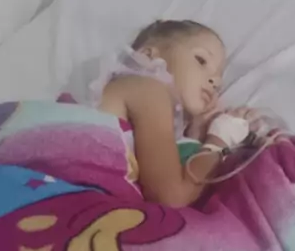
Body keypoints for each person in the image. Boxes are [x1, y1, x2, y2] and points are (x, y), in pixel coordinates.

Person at [97, 19, 255, 207]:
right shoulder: (149, 89)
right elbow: (172, 198)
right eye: (201, 60)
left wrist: (193, 139)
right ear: (148, 56)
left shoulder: (137, 97)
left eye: (219, 83)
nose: (214, 81)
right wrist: (220, 140)